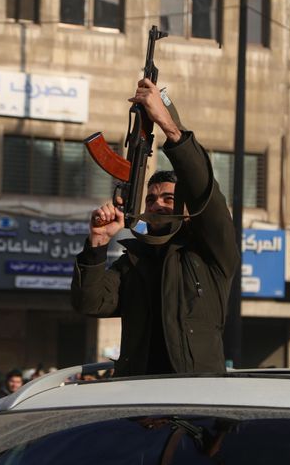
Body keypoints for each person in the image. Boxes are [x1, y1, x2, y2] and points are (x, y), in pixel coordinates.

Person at [71, 78, 239, 376]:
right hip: (140, 402)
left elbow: (206, 194)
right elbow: (91, 302)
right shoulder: (133, 262)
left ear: (186, 209)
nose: (157, 204)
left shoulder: (210, 254)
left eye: (168, 198)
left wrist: (168, 125)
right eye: (150, 198)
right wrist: (97, 244)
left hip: (194, 401)